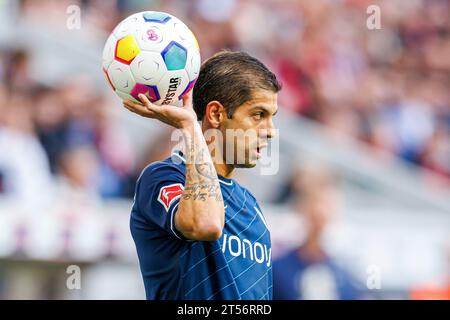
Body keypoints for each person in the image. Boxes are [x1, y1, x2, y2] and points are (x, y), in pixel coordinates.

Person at [124, 51, 281, 300]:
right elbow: (205, 224)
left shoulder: (250, 205)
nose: (270, 131)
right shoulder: (163, 177)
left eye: (272, 118)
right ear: (217, 114)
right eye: (258, 115)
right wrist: (189, 127)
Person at [273, 166, 359, 300]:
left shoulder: (344, 272)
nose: (321, 212)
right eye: (315, 204)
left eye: (328, 206)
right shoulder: (279, 269)